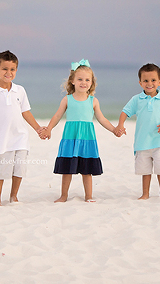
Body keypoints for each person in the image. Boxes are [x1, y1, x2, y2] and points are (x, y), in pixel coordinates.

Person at [40, 60, 118, 202]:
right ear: (73, 81)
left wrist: (114, 129)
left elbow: (102, 119)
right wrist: (49, 129)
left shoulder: (93, 101)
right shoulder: (67, 99)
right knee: (67, 170)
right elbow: (57, 116)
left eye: (87, 80)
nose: (84, 82)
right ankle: (64, 196)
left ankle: (88, 196)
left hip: (87, 139)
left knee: (86, 170)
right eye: (80, 79)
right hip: (71, 137)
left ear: (92, 82)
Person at [0, 50, 45, 206]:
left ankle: (13, 196)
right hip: (2, 139)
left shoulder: (20, 90)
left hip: (21, 137)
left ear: (16, 70)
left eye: (12, 69)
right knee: (1, 171)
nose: (8, 73)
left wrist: (37, 128)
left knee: (19, 169)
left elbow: (26, 112)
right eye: (4, 69)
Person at [115, 63, 160, 200]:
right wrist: (120, 124)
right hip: (142, 142)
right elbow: (125, 111)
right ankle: (145, 194)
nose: (150, 83)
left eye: (153, 80)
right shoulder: (137, 99)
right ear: (140, 83)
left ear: (159, 81)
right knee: (145, 170)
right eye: (146, 81)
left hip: (159, 140)